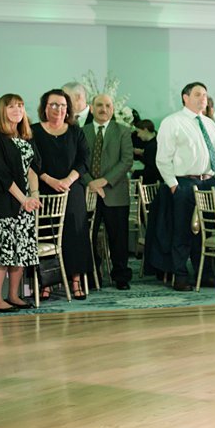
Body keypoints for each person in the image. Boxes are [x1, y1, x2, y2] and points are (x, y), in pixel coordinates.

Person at [0, 94, 42, 313]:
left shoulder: (26, 135)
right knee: (0, 252)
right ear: (1, 111)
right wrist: (23, 199)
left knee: (20, 250)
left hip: (24, 203)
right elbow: (0, 174)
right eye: (11, 106)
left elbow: (34, 167)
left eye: (20, 106)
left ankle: (13, 294)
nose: (17, 110)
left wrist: (33, 194)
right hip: (0, 202)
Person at [155, 82, 215, 291]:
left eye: (205, 94)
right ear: (185, 97)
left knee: (205, 231)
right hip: (184, 182)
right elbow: (162, 158)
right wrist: (174, 185)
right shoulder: (173, 122)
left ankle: (204, 273)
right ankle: (180, 274)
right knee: (183, 231)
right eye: (197, 94)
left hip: (208, 181)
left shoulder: (210, 123)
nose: (203, 98)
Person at [34, 89, 91, 299]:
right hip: (44, 189)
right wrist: (49, 180)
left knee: (75, 235)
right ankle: (47, 283)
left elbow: (84, 159)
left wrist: (68, 180)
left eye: (63, 105)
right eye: (54, 105)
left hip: (71, 190)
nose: (59, 109)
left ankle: (75, 282)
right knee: (46, 235)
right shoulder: (34, 131)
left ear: (68, 109)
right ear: (45, 107)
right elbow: (31, 161)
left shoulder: (76, 132)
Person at [84, 94, 136, 291]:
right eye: (99, 105)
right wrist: (91, 183)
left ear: (113, 109)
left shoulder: (123, 131)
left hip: (115, 193)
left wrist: (104, 181)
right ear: (91, 108)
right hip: (89, 194)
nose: (103, 109)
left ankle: (121, 276)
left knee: (119, 239)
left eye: (107, 105)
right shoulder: (82, 132)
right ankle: (92, 275)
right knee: (87, 237)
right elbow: (79, 162)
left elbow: (127, 161)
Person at [133, 119, 161, 184]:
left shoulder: (151, 147)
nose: (138, 135)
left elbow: (152, 170)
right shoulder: (157, 142)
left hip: (153, 183)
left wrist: (134, 171)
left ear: (145, 130)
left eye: (139, 132)